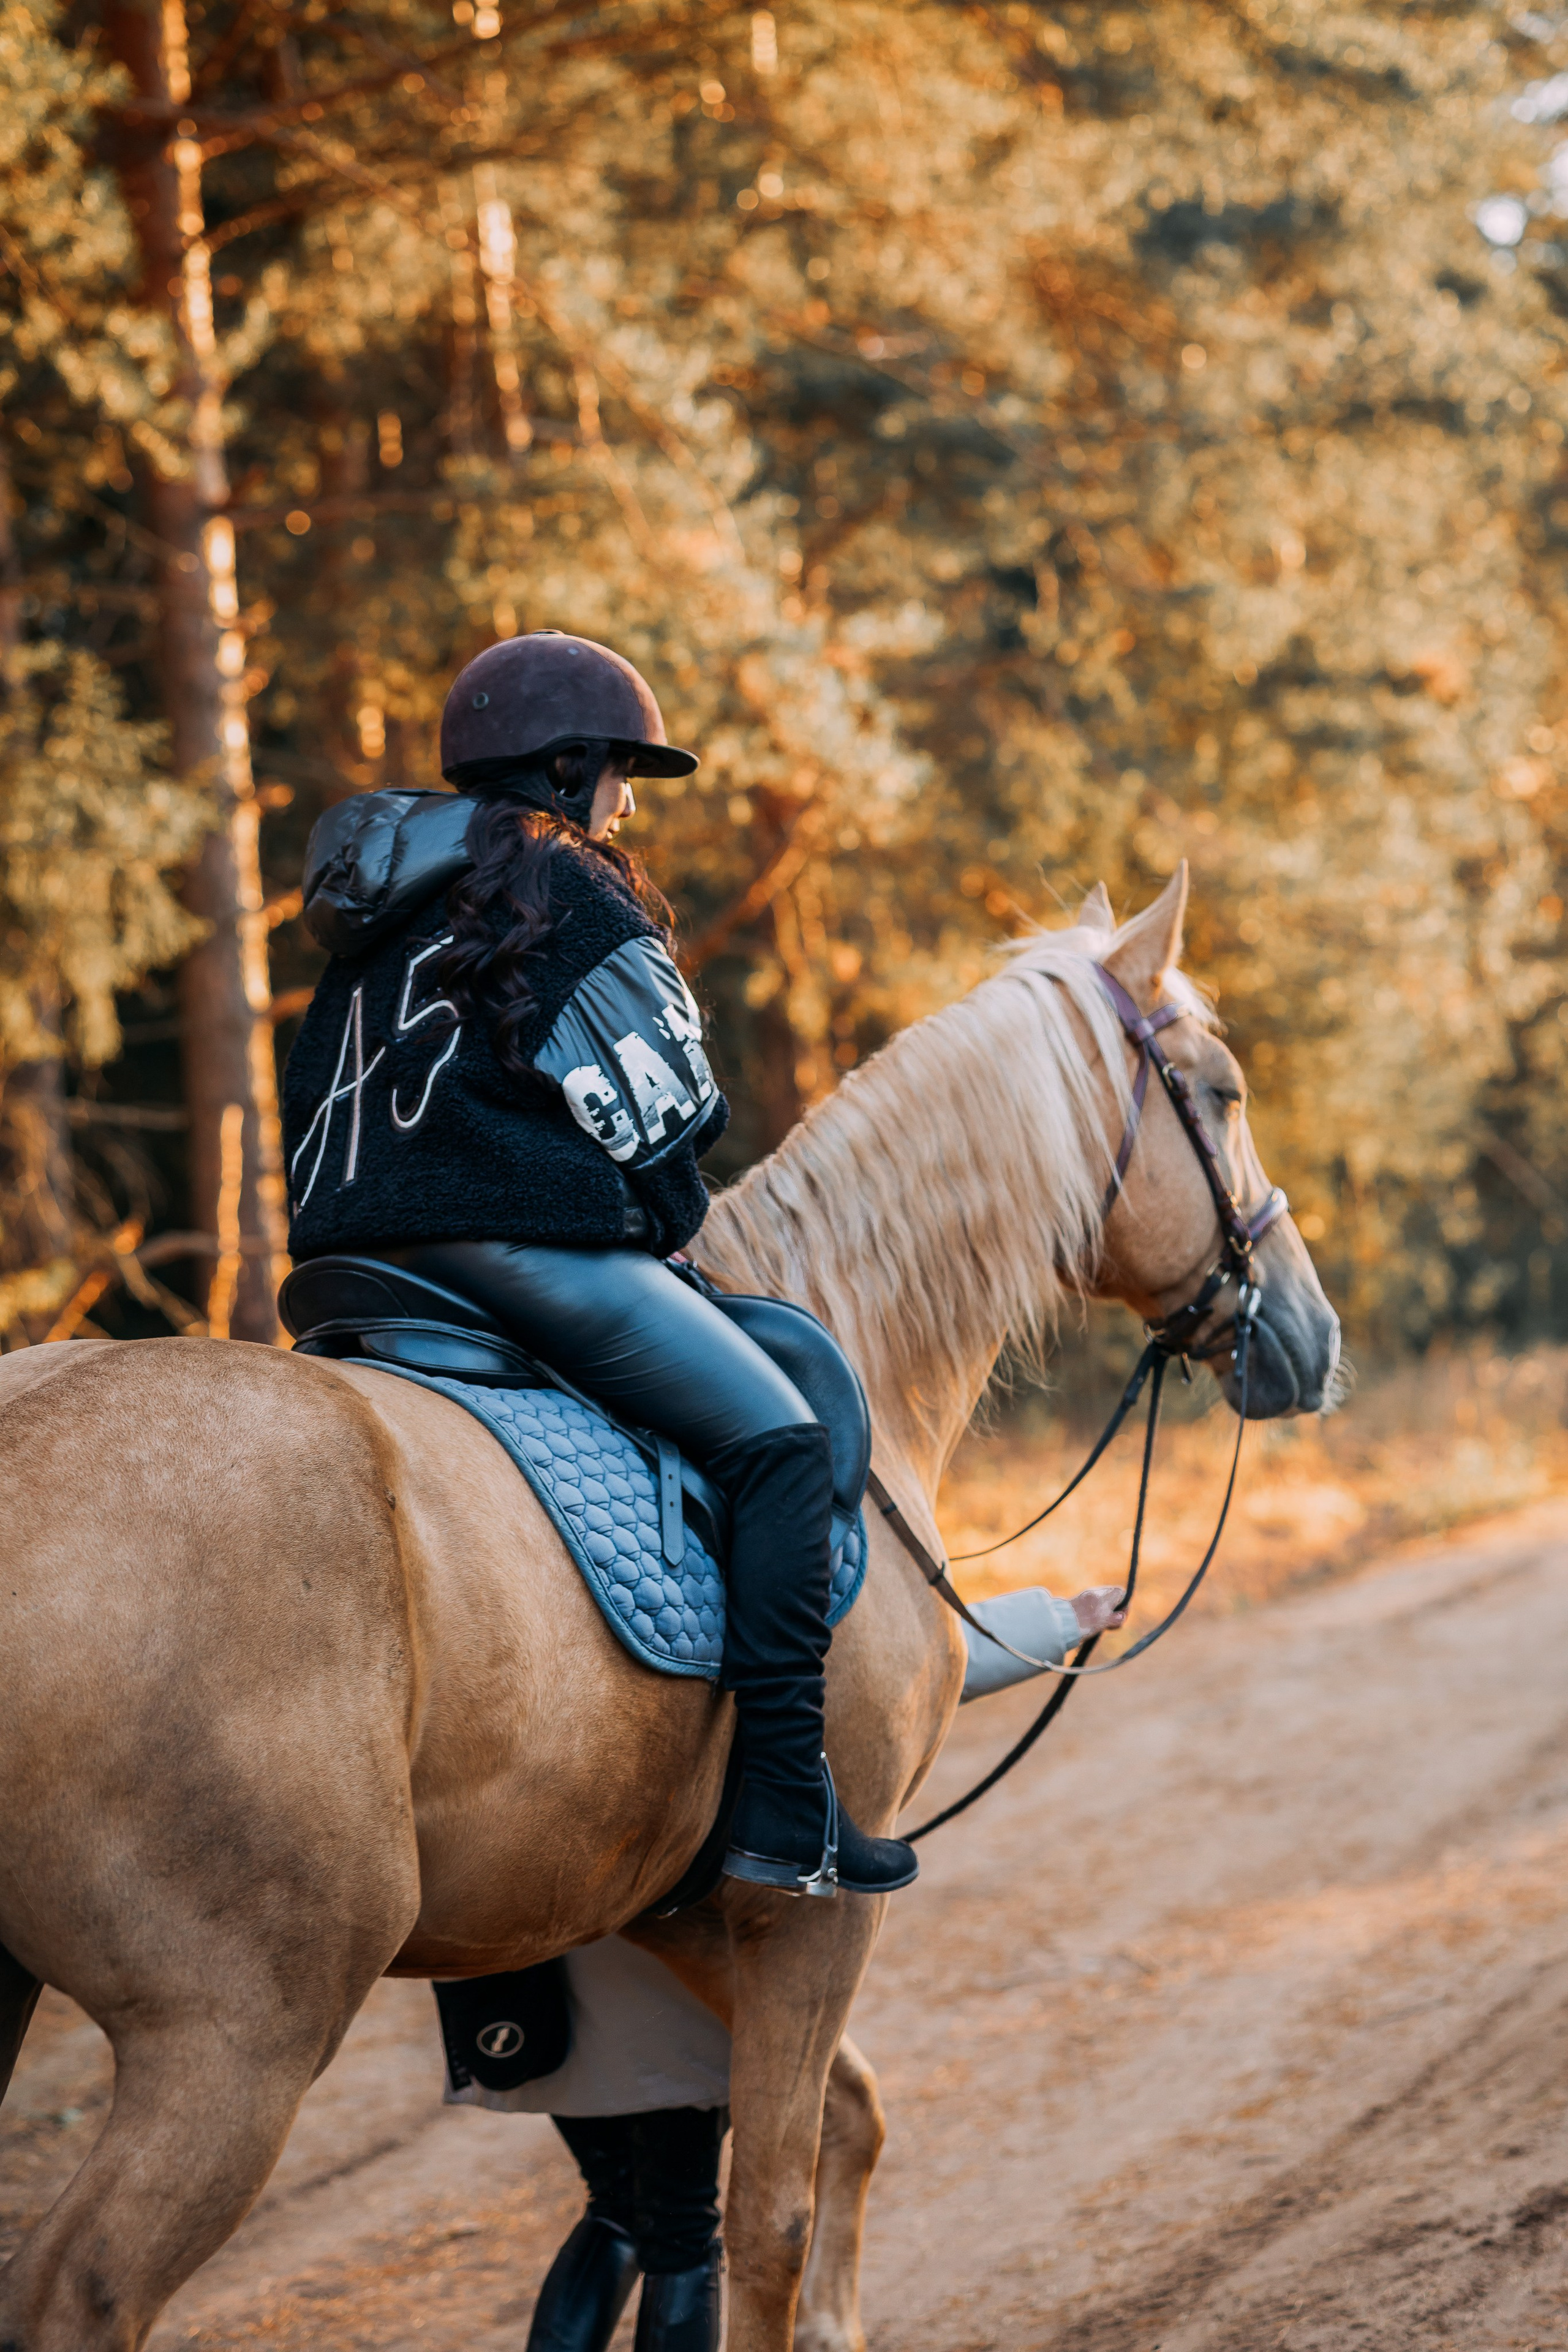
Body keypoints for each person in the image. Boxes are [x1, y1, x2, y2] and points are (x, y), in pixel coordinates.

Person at [282, 627, 918, 1899]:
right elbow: (671, 1115)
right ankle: (786, 1803)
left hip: (351, 1266)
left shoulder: (367, 916)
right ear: (565, 769)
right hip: (509, 1250)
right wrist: (664, 1217)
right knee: (779, 1443)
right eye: (619, 773)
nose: (627, 803)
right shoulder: (562, 883)